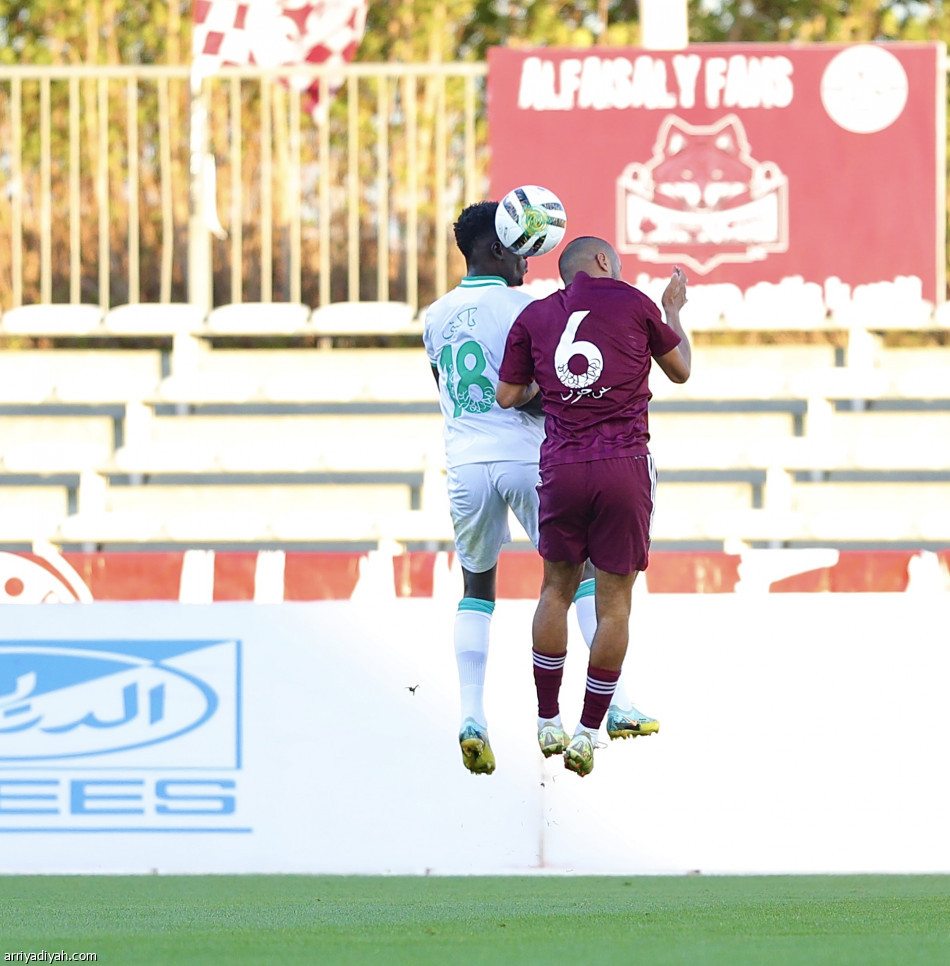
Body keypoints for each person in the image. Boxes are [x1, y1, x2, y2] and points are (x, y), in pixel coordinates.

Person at [423, 205, 641, 776]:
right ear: (497, 248)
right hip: (526, 455)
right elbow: (547, 386)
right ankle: (614, 704)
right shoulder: (527, 309)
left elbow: (445, 387)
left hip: (465, 462)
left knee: (477, 590)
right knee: (581, 576)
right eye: (520, 247)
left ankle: (472, 718)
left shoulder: (434, 315)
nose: (528, 259)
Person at [496, 236, 690, 777]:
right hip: (623, 465)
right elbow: (680, 370)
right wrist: (674, 310)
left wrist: (552, 388)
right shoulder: (635, 303)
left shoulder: (536, 316)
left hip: (562, 466)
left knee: (555, 590)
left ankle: (547, 720)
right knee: (615, 605)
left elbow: (507, 395)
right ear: (603, 261)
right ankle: (586, 732)